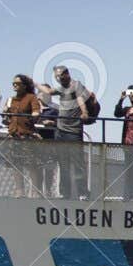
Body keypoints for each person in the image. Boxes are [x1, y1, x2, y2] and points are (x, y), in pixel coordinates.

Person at [38, 64, 97, 198]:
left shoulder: (76, 85)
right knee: (63, 163)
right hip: (61, 130)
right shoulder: (61, 89)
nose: (58, 78)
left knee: (77, 164)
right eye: (56, 77)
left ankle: (82, 193)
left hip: (73, 131)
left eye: (60, 75)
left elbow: (80, 99)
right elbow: (51, 93)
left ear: (67, 74)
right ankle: (65, 193)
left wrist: (84, 112)